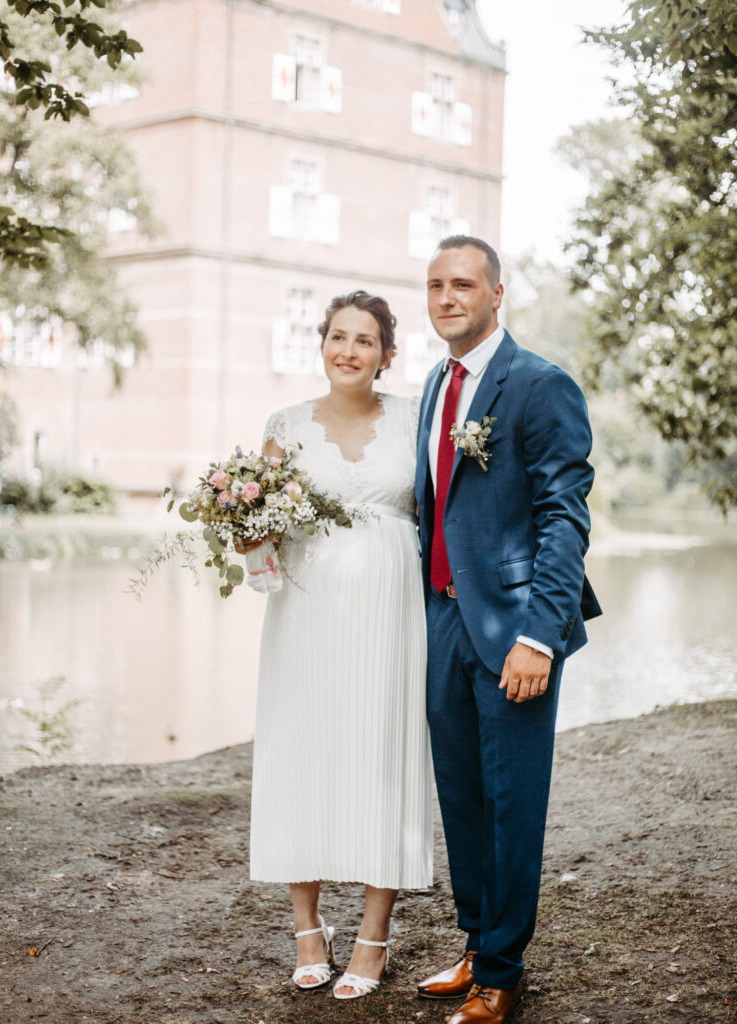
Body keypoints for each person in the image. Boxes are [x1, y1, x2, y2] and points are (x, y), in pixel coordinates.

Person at [415, 236, 601, 1024]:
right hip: (443, 618)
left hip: (515, 630)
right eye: (436, 285)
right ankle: (475, 943)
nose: (447, 298)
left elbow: (565, 519)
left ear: (496, 294)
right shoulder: (436, 383)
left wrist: (539, 635)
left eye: (463, 284)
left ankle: (502, 973)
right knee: (461, 795)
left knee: (511, 803)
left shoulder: (540, 385)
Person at [250, 290, 433, 1000]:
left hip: (391, 612)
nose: (348, 350)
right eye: (338, 336)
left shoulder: (416, 419)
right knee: (306, 751)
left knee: (383, 752)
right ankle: (307, 928)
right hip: (306, 611)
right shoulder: (286, 425)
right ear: (321, 344)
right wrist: (246, 535)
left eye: (365, 340)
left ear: (387, 355)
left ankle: (373, 935)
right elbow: (259, 526)